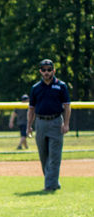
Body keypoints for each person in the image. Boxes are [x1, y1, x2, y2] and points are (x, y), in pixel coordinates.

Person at [28, 59, 71, 191]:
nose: (46, 72)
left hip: (56, 122)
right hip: (40, 123)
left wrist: (66, 124)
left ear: (54, 70)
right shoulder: (35, 88)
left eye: (49, 69)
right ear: (40, 71)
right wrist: (29, 126)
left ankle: (50, 186)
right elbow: (31, 108)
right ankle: (53, 181)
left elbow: (67, 106)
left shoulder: (61, 86)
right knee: (44, 156)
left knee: (54, 155)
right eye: (44, 70)